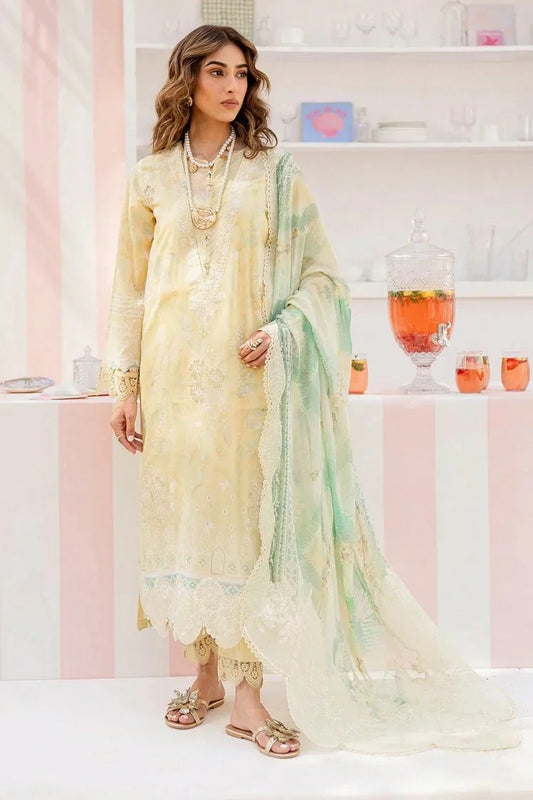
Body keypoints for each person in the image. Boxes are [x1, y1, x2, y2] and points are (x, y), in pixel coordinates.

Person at [99, 24, 521, 759]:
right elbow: (130, 290)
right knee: (188, 526)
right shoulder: (150, 177)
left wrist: (283, 332)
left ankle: (248, 694)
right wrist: (125, 384)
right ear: (187, 80)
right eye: (217, 72)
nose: (232, 86)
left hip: (247, 384)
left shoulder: (275, 173)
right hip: (173, 387)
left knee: (249, 532)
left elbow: (323, 277)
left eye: (242, 74)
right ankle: (204, 677)